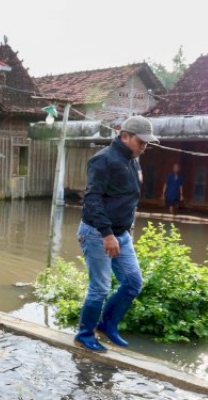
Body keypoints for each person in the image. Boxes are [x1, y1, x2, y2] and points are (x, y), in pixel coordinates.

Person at [74, 115, 157, 353]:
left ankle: (107, 325)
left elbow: (126, 199)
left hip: (121, 233)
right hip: (97, 233)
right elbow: (92, 200)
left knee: (133, 282)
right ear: (124, 136)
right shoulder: (103, 160)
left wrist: (125, 230)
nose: (144, 146)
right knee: (99, 287)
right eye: (141, 141)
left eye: (146, 142)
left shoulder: (132, 159)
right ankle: (84, 335)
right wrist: (107, 234)